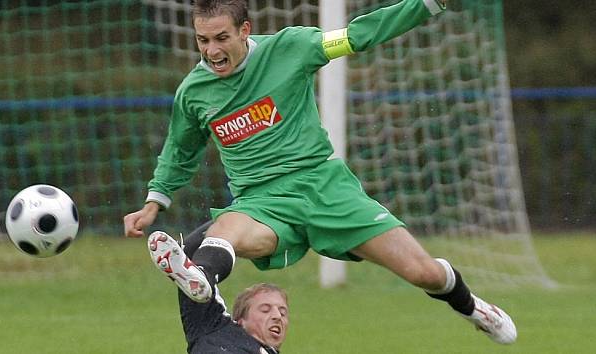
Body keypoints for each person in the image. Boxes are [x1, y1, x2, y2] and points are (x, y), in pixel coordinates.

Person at [124, 0, 517, 345]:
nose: (212, 51)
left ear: (245, 30)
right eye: (202, 41)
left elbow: (358, 35)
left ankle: (475, 310)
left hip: (325, 188)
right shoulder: (194, 91)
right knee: (225, 231)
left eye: (221, 38)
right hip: (262, 203)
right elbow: (180, 148)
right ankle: (201, 279)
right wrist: (155, 199)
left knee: (424, 273)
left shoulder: (292, 47)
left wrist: (427, 3)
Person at [149, 223, 288, 353]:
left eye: (283, 313)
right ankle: (207, 271)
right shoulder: (212, 325)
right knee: (199, 279)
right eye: (265, 310)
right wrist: (233, 218)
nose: (277, 317)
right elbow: (188, 257)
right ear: (240, 320)